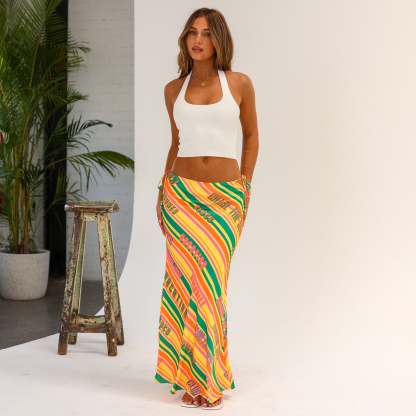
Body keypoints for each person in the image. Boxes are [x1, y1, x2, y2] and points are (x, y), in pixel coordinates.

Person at [154, 7, 259, 410]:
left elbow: (251, 136)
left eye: (206, 33)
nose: (198, 40)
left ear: (219, 40)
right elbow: (176, 142)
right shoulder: (172, 89)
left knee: (211, 287)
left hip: (224, 200)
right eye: (192, 32)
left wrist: (244, 187)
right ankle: (190, 377)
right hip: (180, 197)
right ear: (185, 39)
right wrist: (162, 191)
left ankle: (209, 377)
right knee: (184, 287)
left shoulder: (239, 83)